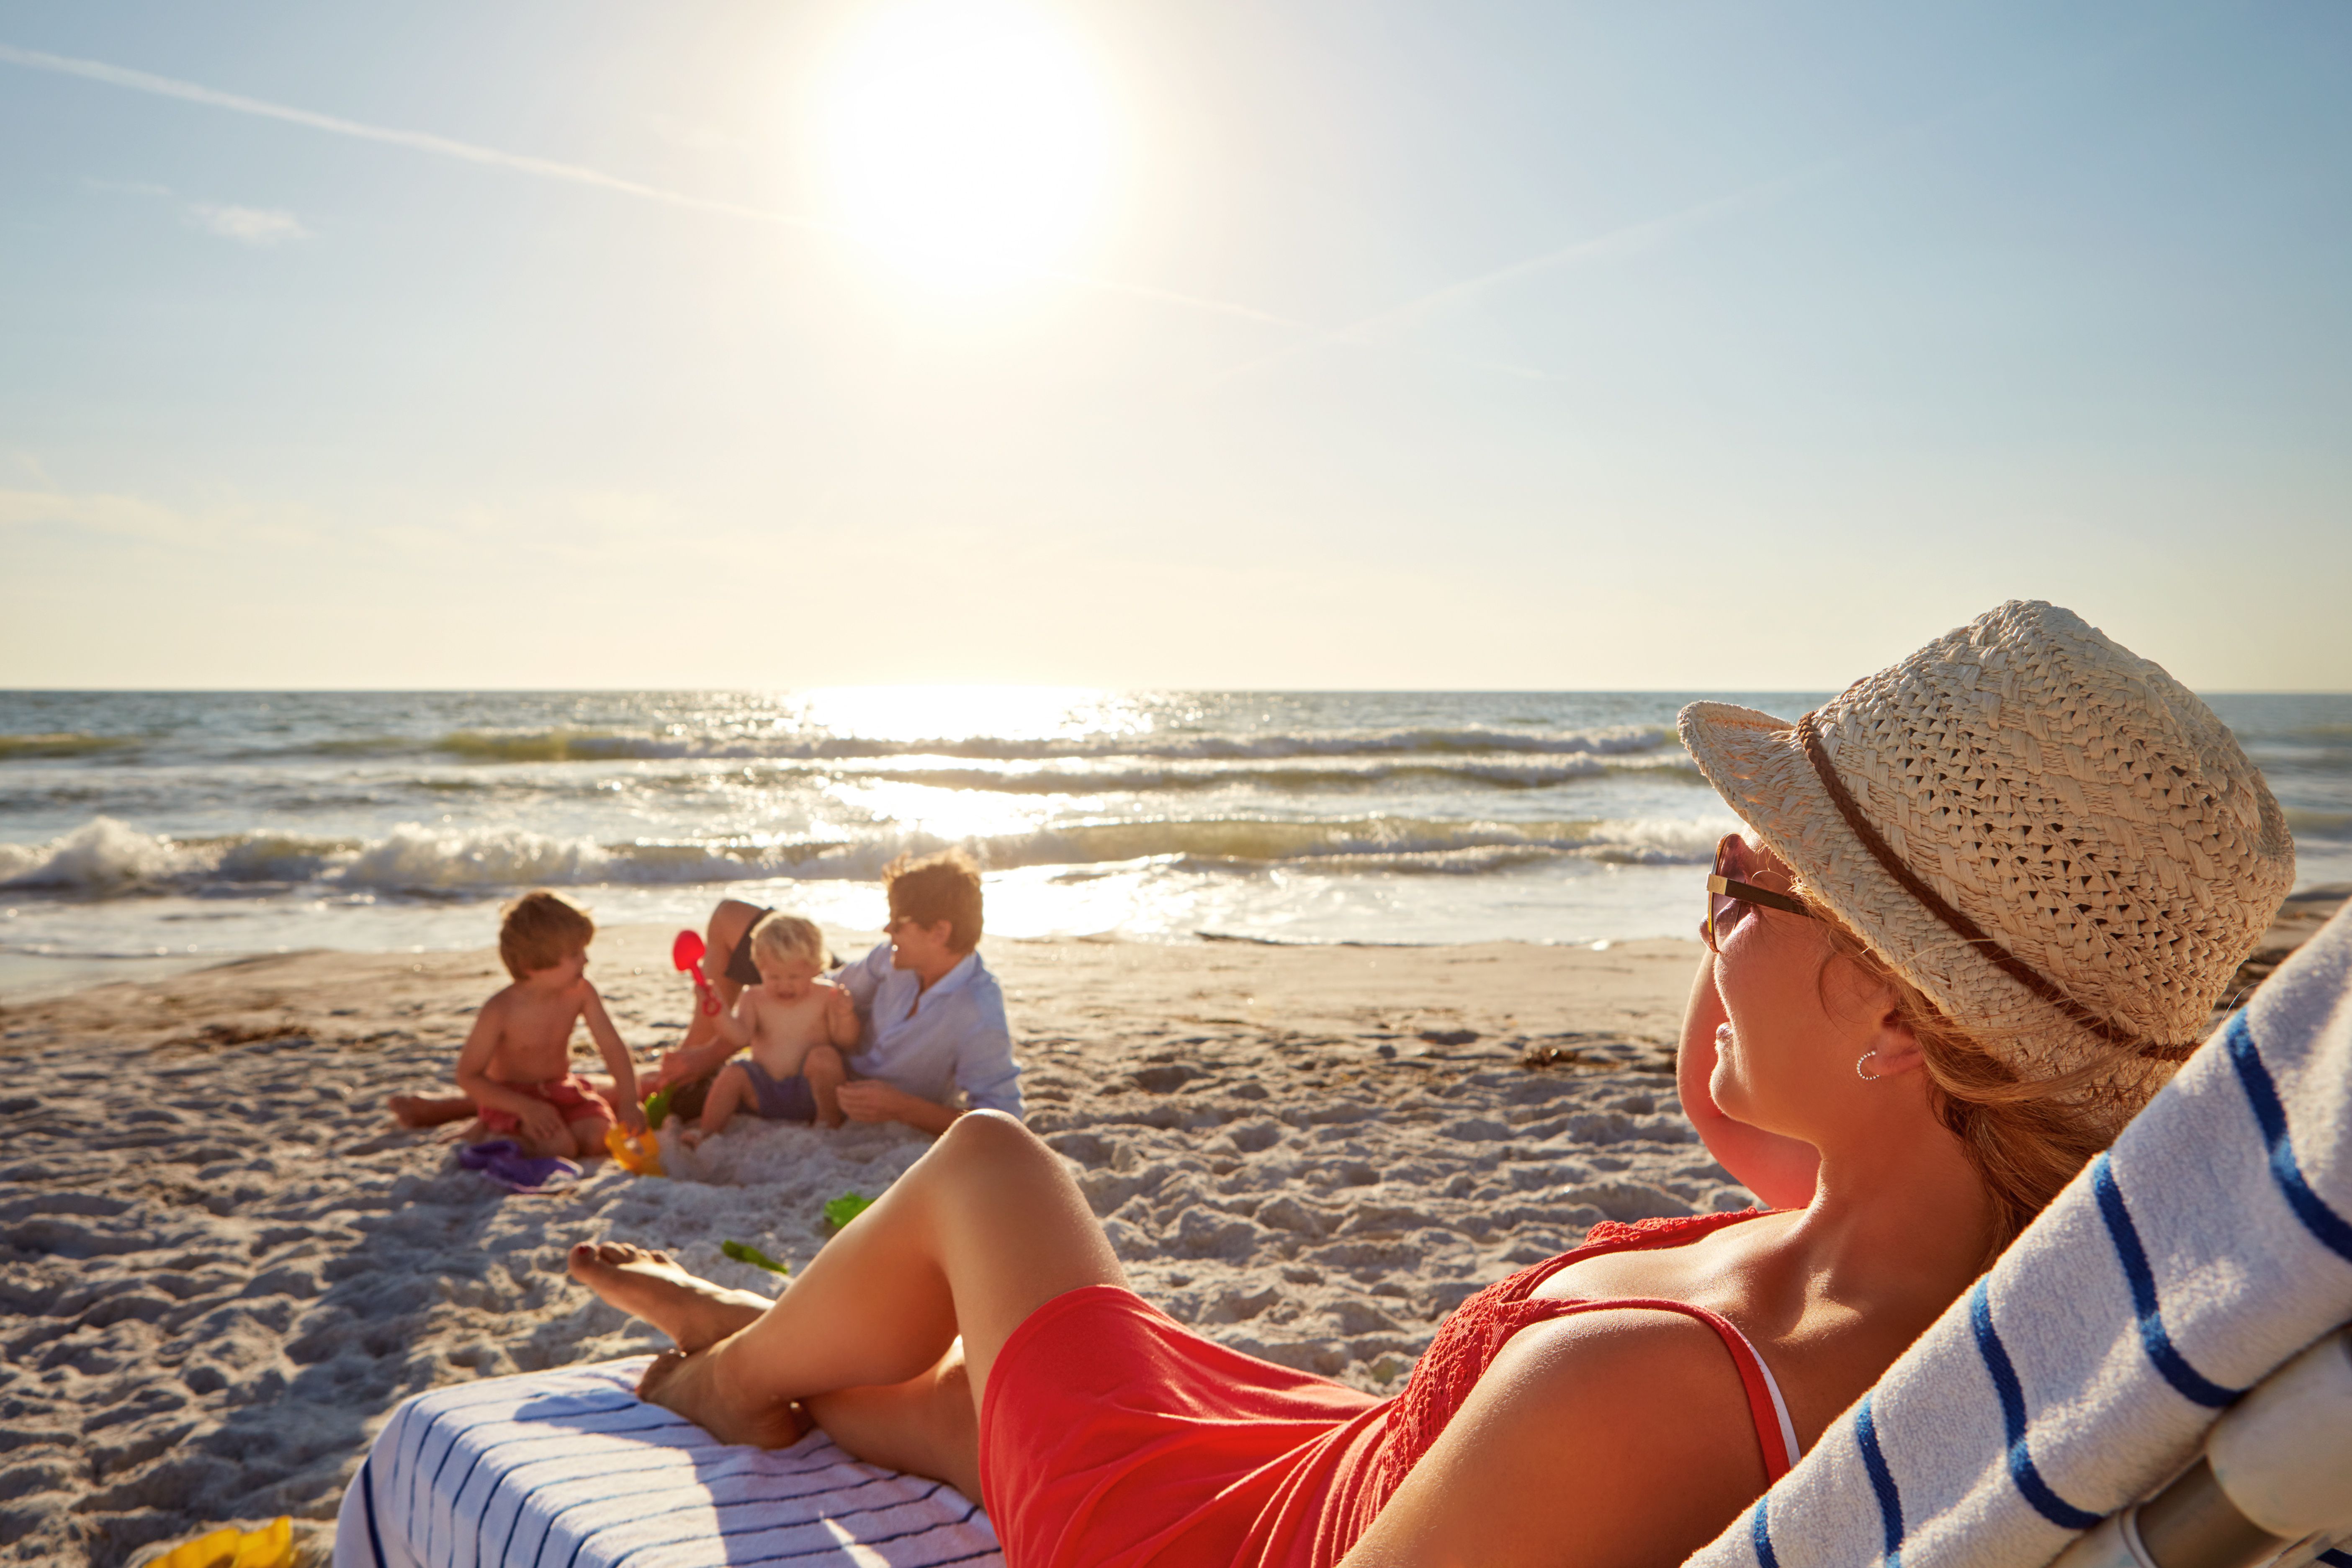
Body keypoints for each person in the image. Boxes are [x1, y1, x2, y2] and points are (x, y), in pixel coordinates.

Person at [566, 603, 2295, 1567]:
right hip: (1343, 1447)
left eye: (1741, 879)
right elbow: (1781, 1124)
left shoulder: (1640, 1385)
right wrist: (1751, 963)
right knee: (957, 1403)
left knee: (995, 1174)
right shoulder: (1945, 1270)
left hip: (1232, 1534)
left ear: (1885, 1007)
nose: (1706, 906)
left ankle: (732, 1386)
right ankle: (789, 1354)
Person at [651, 848, 1021, 1133]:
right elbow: (820, 991)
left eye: (899, 923)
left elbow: (1003, 1123)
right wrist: (715, 1048)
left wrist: (901, 1107)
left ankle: (672, 1076)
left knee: (684, 1097)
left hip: (826, 1078)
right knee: (730, 916)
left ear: (939, 932)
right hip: (822, 1028)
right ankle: (692, 1058)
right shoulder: (891, 958)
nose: (887, 930)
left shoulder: (978, 1012)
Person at [455, 890, 647, 1160]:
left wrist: (629, 1101)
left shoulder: (581, 991)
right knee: (559, 1149)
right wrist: (525, 1108)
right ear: (532, 965)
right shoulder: (500, 1009)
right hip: (513, 1101)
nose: (586, 960)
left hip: (561, 1091)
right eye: (574, 953)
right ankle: (491, 1132)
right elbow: (468, 1076)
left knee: (599, 1138)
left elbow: (612, 1045)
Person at [663, 912, 859, 1145]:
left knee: (826, 1057)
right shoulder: (754, 997)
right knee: (733, 1073)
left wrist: (845, 1016)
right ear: (759, 967)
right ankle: (707, 1131)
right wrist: (719, 1013)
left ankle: (828, 1123)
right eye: (774, 977)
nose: (783, 985)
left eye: (794, 977)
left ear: (815, 967)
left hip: (810, 1092)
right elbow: (739, 1036)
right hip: (764, 1091)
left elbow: (846, 1042)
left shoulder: (827, 994)